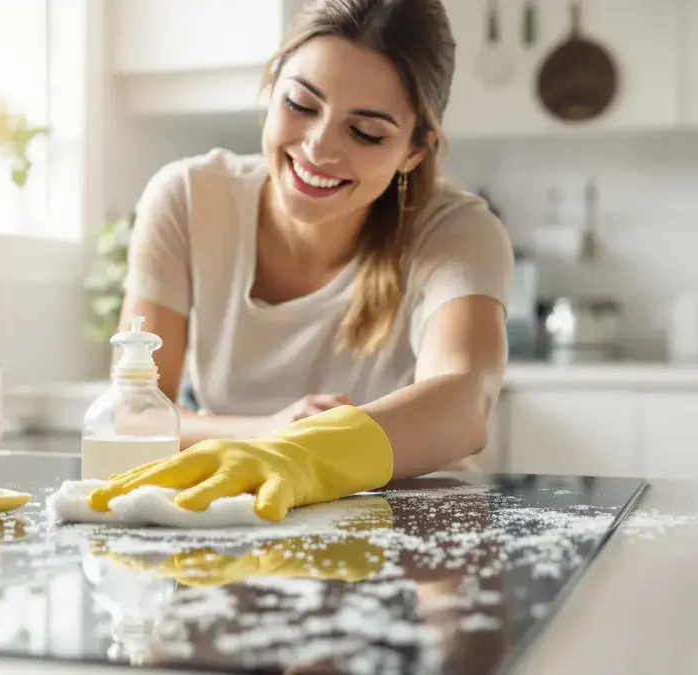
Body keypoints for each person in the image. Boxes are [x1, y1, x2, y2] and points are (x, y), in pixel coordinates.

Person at [90, 0, 512, 522]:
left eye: (366, 133)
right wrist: (268, 434)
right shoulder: (188, 198)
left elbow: (464, 403)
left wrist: (304, 454)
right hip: (243, 522)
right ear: (272, 88)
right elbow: (134, 411)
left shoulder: (456, 231)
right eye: (301, 104)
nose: (317, 148)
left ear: (414, 152)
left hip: (408, 527)